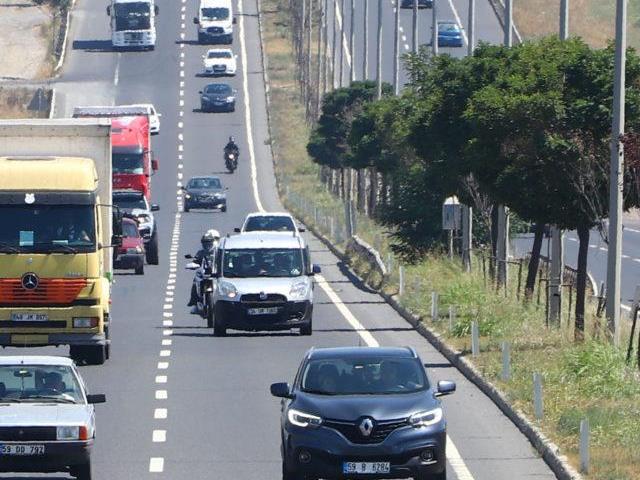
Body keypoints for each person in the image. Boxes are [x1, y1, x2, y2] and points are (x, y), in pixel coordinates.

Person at [188, 230, 220, 309]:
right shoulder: (201, 251)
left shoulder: (219, 250)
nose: (207, 245)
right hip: (205, 272)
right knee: (196, 280)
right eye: (205, 242)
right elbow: (196, 260)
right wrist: (193, 264)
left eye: (209, 242)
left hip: (216, 272)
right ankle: (194, 301)